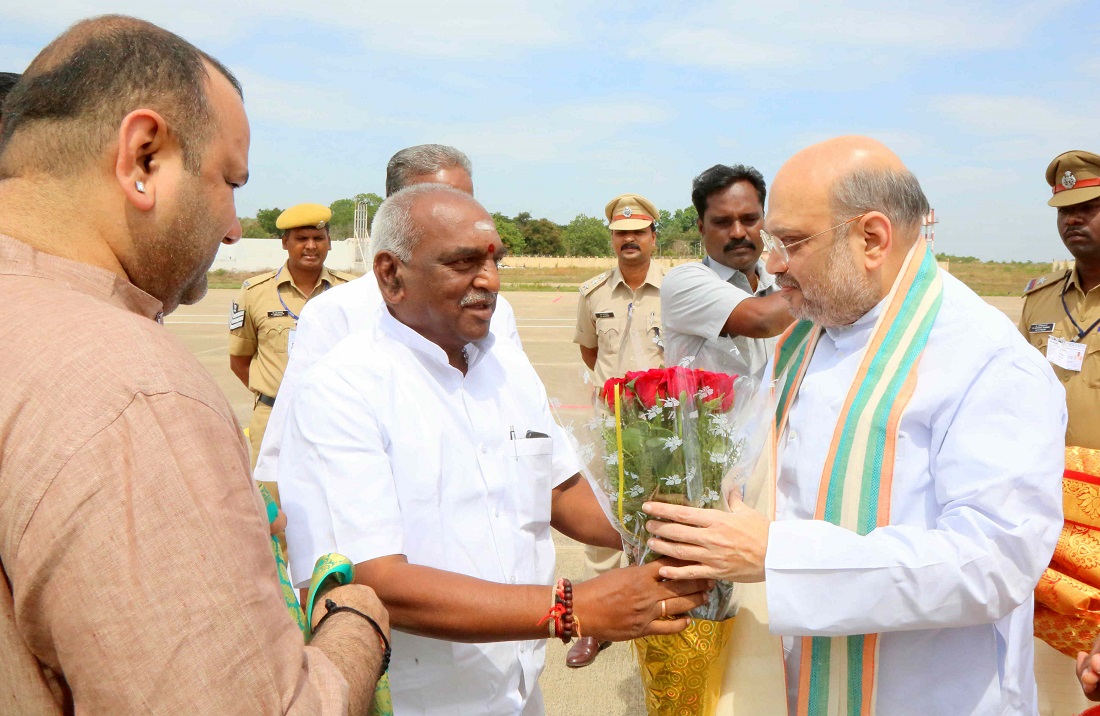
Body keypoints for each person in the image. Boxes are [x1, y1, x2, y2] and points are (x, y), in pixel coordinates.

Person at [0, 16, 387, 714]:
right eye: (227, 181)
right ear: (143, 159)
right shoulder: (133, 390)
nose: (235, 225)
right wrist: (357, 625)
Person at [644, 136, 1066, 714]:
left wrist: (778, 555)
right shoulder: (811, 332)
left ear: (871, 239)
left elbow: (994, 564)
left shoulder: (987, 361)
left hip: (925, 693)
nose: (772, 263)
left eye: (791, 242)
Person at [278, 184, 710, 715]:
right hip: (422, 699)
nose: (489, 281)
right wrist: (571, 609)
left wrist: (678, 523)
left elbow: (561, 490)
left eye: (494, 261)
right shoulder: (342, 388)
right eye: (462, 264)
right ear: (390, 275)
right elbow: (373, 581)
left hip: (519, 688)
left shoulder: (505, 367)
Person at [251, 143, 520, 495]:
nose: (460, 214)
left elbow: (513, 414)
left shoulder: (495, 311)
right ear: (395, 208)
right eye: (439, 197)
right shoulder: (336, 311)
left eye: (467, 200)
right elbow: (287, 442)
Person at [568, 192, 665, 666]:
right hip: (611, 423)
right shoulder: (592, 294)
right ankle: (594, 622)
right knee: (603, 515)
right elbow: (591, 354)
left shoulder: (679, 290)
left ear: (653, 237)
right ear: (613, 239)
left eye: (638, 232)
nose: (629, 240)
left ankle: (662, 604)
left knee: (666, 515)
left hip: (665, 424)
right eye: (621, 234)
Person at [229, 202, 355, 470]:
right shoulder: (254, 293)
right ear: (285, 242)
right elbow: (239, 360)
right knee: (273, 505)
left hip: (335, 419)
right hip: (273, 418)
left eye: (318, 238)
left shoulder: (350, 292)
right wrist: (276, 396)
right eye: (301, 239)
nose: (311, 246)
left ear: (329, 243)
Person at [661, 164, 794, 378]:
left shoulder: (782, 282)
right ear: (702, 228)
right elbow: (761, 320)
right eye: (722, 222)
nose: (738, 233)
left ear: (765, 221)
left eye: (750, 219)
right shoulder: (683, 282)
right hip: (710, 413)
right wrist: (828, 279)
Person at [1019, 150, 1100, 450]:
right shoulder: (1040, 298)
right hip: (1049, 480)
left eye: (1089, 207)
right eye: (1064, 211)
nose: (1073, 219)